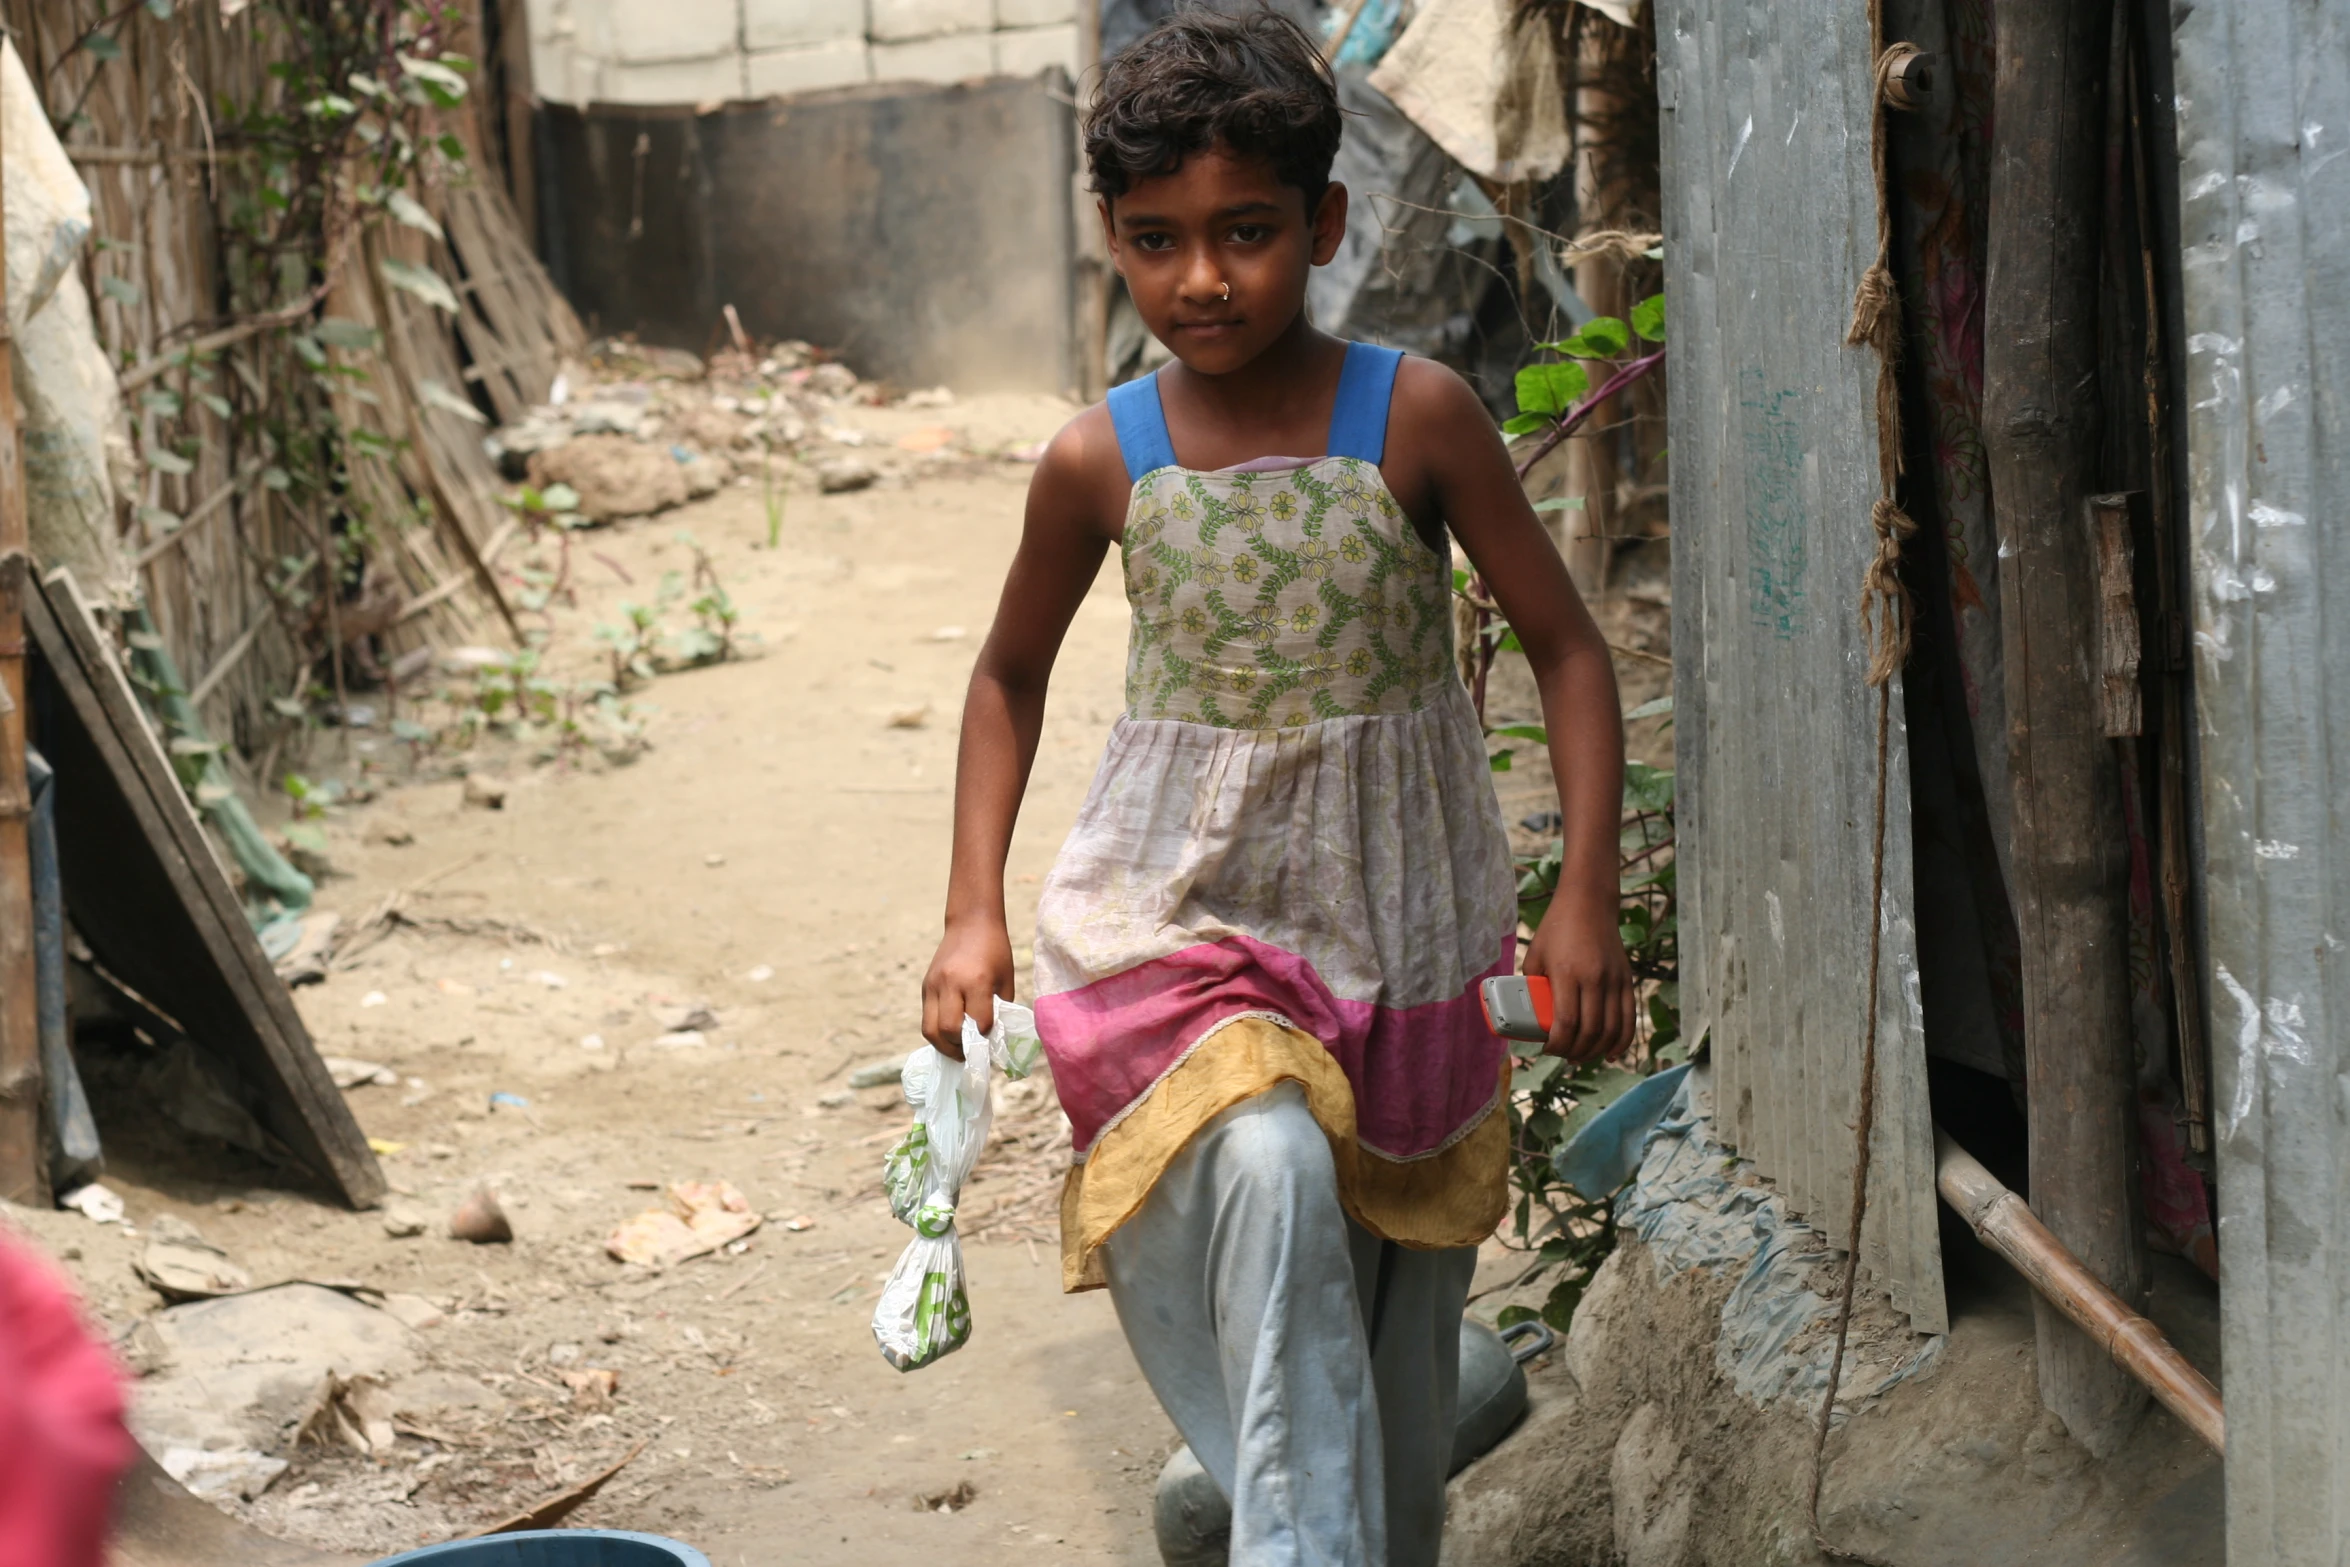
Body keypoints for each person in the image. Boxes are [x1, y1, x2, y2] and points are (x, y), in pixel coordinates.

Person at [920, 10, 1634, 1562]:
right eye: (1157, 239)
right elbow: (1005, 675)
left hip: (1397, 924)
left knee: (1391, 1318)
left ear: (1321, 222)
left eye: (1245, 233)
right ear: (1109, 236)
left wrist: (1579, 896)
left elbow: (1569, 651)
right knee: (1266, 1158)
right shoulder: (1097, 460)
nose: (1201, 279)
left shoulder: (1417, 417)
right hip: (1182, 921)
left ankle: (1325, 1527)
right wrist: (970, 912)